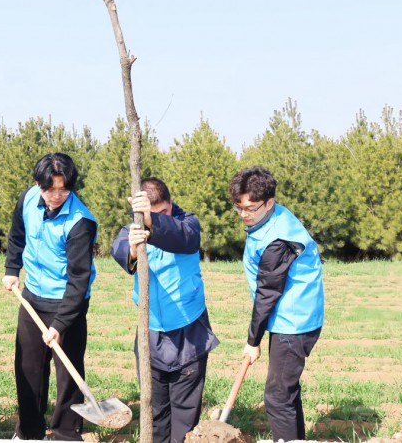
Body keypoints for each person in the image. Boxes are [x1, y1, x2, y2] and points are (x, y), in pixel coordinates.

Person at [111, 177, 219, 443]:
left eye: (163, 212)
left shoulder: (187, 223)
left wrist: (152, 221)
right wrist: (133, 250)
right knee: (155, 412)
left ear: (171, 204)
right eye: (151, 213)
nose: (159, 217)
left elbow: (185, 238)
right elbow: (118, 248)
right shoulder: (133, 228)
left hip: (188, 331)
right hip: (151, 332)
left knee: (185, 417)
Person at [1, 152, 98, 441]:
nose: (56, 196)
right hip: (33, 295)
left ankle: (66, 433)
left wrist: (60, 323)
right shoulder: (28, 199)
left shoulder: (81, 222)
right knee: (28, 367)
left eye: (63, 189)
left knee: (68, 372)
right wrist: (12, 269)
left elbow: (79, 279)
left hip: (67, 301)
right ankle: (30, 432)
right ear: (38, 184)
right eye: (50, 189)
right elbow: (17, 235)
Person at [227, 166, 324, 442]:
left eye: (250, 208)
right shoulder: (271, 218)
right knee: (287, 392)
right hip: (291, 315)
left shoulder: (278, 240)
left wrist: (253, 341)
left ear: (269, 203)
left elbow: (267, 292)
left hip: (294, 321)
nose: (244, 215)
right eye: (238, 207)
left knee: (278, 396)